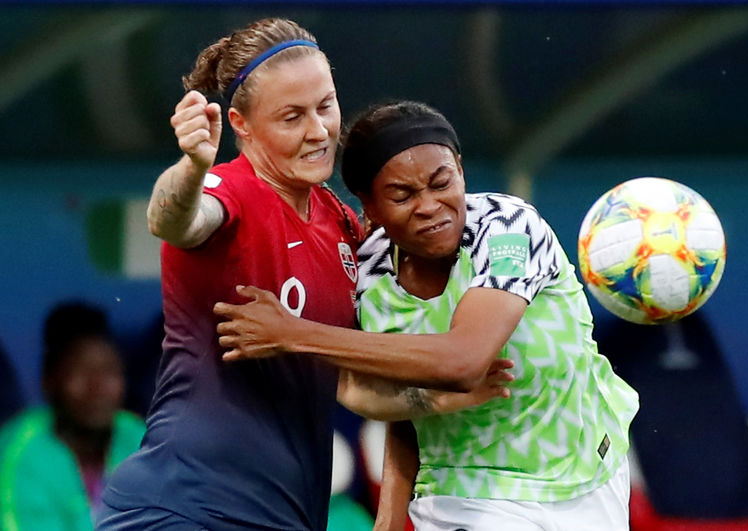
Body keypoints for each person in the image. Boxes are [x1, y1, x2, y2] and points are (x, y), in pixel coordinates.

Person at [98, 19, 508, 531]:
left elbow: (353, 388)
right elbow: (172, 220)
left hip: (287, 515)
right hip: (185, 507)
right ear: (242, 125)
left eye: (326, 106)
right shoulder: (232, 191)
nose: (318, 131)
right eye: (292, 117)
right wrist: (193, 165)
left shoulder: (340, 223)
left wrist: (442, 394)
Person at [214, 101, 640, 530]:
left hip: (587, 475)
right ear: (371, 207)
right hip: (464, 491)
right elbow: (395, 398)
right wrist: (389, 520)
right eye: (403, 195)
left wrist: (293, 333)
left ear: (459, 169)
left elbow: (463, 362)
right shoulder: (365, 277)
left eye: (442, 182)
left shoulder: (509, 228)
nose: (430, 206)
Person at [0, 301, 145, 531]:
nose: (97, 387)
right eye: (80, 371)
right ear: (49, 381)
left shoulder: (139, 437)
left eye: (109, 371)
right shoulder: (20, 451)